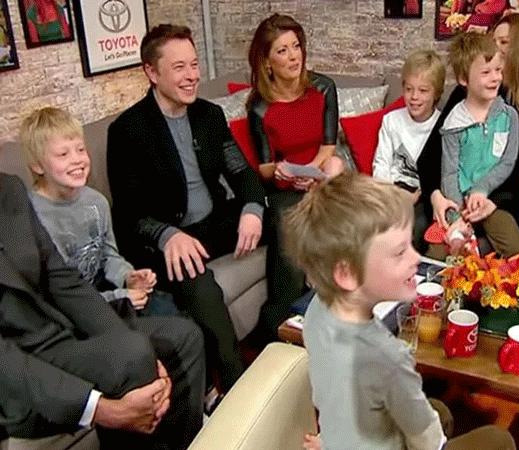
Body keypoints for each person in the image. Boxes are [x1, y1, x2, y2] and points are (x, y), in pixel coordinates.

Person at [283, 172, 516, 450]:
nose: (416, 258)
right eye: (399, 253)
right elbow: (428, 441)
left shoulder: (317, 311)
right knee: (499, 440)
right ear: (348, 274)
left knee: (440, 410)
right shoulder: (389, 361)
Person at [107, 24, 265, 392]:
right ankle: (236, 386)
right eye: (179, 67)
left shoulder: (209, 115)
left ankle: (278, 323)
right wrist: (167, 235)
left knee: (288, 213)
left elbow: (241, 172)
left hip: (213, 223)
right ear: (152, 72)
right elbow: (128, 213)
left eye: (194, 64)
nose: (192, 75)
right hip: (167, 241)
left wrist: (252, 209)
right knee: (195, 277)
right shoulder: (127, 130)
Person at [0, 172, 205, 450]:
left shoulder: (9, 187)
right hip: (15, 376)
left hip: (59, 335)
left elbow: (62, 279)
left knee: (183, 337)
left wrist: (126, 339)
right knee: (131, 358)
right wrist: (101, 409)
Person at [24, 107, 180, 318]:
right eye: (63, 154)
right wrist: (118, 297)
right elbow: (55, 296)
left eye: (81, 150)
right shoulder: (32, 218)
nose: (77, 159)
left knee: (178, 319)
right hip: (73, 312)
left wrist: (128, 276)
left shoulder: (96, 202)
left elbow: (108, 255)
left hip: (107, 294)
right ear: (37, 166)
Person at [246, 13, 344, 337]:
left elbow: (329, 145)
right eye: (283, 50)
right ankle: (283, 318)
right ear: (267, 62)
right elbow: (264, 167)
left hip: (321, 173)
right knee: (288, 220)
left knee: (335, 169)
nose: (293, 56)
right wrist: (284, 172)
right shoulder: (259, 107)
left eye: (296, 46)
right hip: (285, 185)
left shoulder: (323, 87)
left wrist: (313, 174)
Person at [419, 13, 519, 256]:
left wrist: (490, 201)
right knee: (426, 233)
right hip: (453, 197)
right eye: (493, 40)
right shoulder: (466, 94)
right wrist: (437, 197)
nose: (494, 47)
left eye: (503, 42)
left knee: (514, 245)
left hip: (500, 203)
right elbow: (431, 158)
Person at [439, 32, 519, 258]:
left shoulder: (509, 117)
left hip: (491, 202)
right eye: (486, 72)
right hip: (458, 204)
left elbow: (508, 162)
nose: (495, 78)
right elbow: (449, 173)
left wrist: (481, 189)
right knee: (443, 255)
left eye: (498, 70)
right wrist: (456, 214)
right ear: (464, 79)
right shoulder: (453, 123)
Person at [372, 49, 445, 252]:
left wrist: (416, 195)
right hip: (390, 191)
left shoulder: (443, 126)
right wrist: (392, 195)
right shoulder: (392, 121)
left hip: (423, 196)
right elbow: (381, 164)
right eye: (409, 89)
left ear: (436, 93)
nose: (414, 97)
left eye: (423, 91)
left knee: (415, 228)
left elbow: (441, 175)